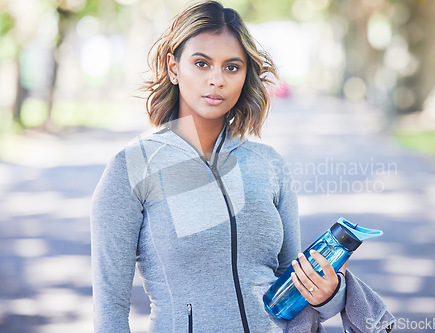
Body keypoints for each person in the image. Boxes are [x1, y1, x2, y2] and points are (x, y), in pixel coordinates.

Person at [91, 1, 348, 332]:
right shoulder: (133, 167)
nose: (217, 80)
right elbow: (110, 308)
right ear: (173, 68)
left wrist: (332, 293)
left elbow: (292, 285)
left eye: (231, 67)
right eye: (201, 64)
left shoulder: (268, 164)